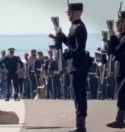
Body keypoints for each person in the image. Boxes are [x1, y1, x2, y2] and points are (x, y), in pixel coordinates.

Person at [57, 3, 89, 132]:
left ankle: (81, 127)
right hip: (74, 66)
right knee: (75, 94)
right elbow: (71, 44)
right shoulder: (73, 26)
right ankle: (79, 126)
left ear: (77, 12)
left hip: (79, 66)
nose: (68, 15)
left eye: (69, 12)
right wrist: (62, 36)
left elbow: (79, 50)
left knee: (79, 95)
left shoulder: (80, 27)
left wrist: (67, 55)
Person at [106, 11, 125, 129]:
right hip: (121, 71)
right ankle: (120, 121)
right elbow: (110, 51)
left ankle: (120, 121)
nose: (117, 24)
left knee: (122, 94)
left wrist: (112, 37)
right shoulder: (120, 37)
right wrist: (112, 38)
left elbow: (116, 51)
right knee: (122, 95)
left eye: (119, 22)